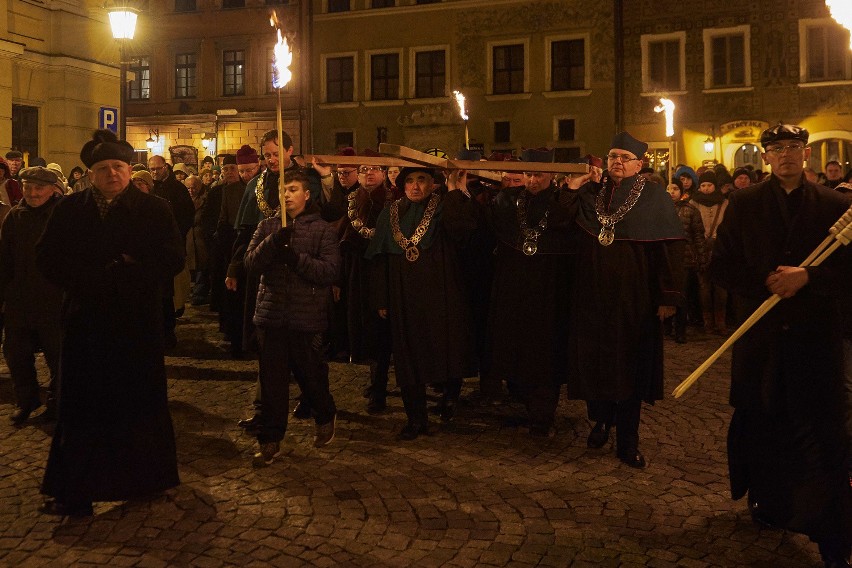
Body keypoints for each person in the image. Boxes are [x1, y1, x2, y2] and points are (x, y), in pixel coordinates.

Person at [709, 124, 851, 568]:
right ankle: (769, 504)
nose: (786, 155)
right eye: (776, 149)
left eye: (793, 147)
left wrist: (808, 277)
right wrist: (768, 283)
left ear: (805, 154)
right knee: (766, 426)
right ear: (766, 158)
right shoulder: (745, 203)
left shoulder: (836, 206)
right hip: (763, 340)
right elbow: (721, 266)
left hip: (815, 341)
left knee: (825, 439)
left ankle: (834, 540)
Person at [36, 129, 185, 516]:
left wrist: (127, 274)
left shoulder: (155, 210)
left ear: (128, 168)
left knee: (139, 403)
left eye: (118, 166)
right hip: (85, 322)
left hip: (135, 323)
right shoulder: (69, 209)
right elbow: (48, 258)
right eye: (103, 169)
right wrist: (88, 278)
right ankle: (75, 491)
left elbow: (172, 259)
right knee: (81, 406)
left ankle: (146, 480)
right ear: (91, 173)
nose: (112, 175)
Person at [566, 132, 685, 469]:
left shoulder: (655, 197)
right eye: (612, 156)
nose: (617, 162)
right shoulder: (594, 194)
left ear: (639, 164)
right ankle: (601, 420)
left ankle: (628, 440)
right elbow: (563, 219)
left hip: (635, 300)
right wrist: (575, 187)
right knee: (595, 362)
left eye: (624, 157)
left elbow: (670, 249)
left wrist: (668, 297)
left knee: (630, 368)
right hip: (592, 296)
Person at [365, 166, 475, 440]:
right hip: (403, 296)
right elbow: (378, 259)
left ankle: (449, 400)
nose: (415, 187)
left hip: (442, 293)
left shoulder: (443, 208)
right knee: (407, 357)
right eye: (410, 181)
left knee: (444, 349)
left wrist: (453, 192)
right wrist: (381, 298)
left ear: (432, 184)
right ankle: (416, 418)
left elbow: (463, 232)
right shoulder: (390, 213)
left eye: (422, 180)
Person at [244, 169, 339, 465]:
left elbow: (329, 271)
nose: (287, 194)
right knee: (272, 382)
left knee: (310, 376)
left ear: (307, 194)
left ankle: (325, 413)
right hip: (272, 315)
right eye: (284, 189)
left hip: (305, 317)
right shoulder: (268, 225)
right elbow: (251, 264)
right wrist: (273, 244)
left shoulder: (321, 229)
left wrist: (296, 259)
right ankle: (271, 440)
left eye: (294, 189)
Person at [482, 148, 576, 436]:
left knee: (545, 353)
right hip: (516, 289)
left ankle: (542, 415)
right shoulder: (510, 200)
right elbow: (488, 223)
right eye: (529, 174)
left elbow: (563, 221)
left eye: (538, 174)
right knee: (517, 348)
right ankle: (527, 404)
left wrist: (570, 190)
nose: (532, 180)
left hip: (549, 290)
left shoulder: (562, 201)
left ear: (552, 175)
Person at [0, 167, 64, 425]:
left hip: (54, 301)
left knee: (58, 357)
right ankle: (26, 400)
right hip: (20, 301)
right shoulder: (15, 216)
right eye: (28, 188)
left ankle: (58, 403)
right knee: (16, 354)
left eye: (39, 188)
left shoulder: (63, 215)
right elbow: (4, 260)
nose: (33, 193)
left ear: (52, 189)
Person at [665, 182, 706, 343]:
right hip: (666, 256)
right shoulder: (661, 209)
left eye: (675, 189)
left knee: (683, 295)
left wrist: (701, 259)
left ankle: (680, 330)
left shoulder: (690, 210)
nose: (671, 192)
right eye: (668, 189)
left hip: (685, 257)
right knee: (667, 292)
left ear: (681, 191)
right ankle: (667, 326)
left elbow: (698, 236)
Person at [689, 170, 729, 335]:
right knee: (704, 287)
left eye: (709, 185)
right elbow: (692, 226)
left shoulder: (724, 203)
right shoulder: (693, 203)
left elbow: (728, 225)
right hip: (702, 249)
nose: (705, 188)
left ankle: (721, 321)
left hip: (720, 250)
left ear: (715, 186)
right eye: (703, 185)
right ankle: (707, 322)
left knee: (721, 287)